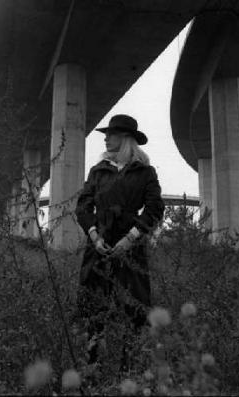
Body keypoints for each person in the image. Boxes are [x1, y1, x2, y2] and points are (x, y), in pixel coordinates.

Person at [75, 114, 165, 367]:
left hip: (130, 244)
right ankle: (90, 366)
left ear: (125, 139)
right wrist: (93, 235)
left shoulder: (145, 172)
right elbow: (83, 206)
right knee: (94, 304)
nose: (105, 138)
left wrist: (131, 238)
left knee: (133, 307)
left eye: (111, 134)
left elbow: (155, 208)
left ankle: (128, 369)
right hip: (99, 242)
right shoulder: (98, 171)